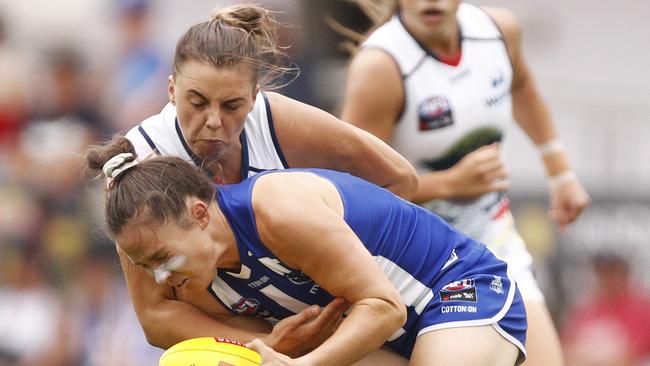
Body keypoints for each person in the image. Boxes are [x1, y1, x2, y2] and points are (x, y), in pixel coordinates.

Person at [118, 3, 419, 356]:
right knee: (186, 278)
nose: (213, 120)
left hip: (338, 304)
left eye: (232, 106)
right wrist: (268, 345)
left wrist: (341, 270)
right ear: (171, 90)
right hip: (250, 324)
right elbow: (155, 316)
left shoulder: (276, 119)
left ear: (254, 97)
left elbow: (399, 179)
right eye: (196, 102)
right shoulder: (141, 161)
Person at [84, 136, 527, 366]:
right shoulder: (197, 281)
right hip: (388, 338)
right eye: (145, 267)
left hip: (458, 290)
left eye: (161, 258)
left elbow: (385, 307)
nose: (160, 279)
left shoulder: (276, 211)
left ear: (200, 214)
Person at [339, 1, 591, 365]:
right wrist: (447, 184)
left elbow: (522, 87)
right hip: (412, 260)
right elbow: (352, 191)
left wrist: (561, 172)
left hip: (492, 242)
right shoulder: (380, 65)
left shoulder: (499, 30)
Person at [561, 253, 650, 366]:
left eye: (612, 272)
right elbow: (565, 351)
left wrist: (586, 357)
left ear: (625, 274)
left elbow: (630, 356)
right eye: (602, 272)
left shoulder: (640, 309)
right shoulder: (586, 309)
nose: (607, 278)